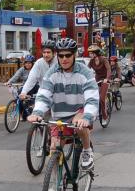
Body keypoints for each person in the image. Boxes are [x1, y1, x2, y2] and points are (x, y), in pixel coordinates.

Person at [28, 38, 98, 169]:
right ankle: (55, 185)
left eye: (68, 55)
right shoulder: (52, 73)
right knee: (54, 149)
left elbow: (92, 98)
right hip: (59, 116)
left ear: (75, 55)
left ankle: (87, 151)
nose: (64, 59)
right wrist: (37, 112)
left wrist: (87, 117)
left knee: (79, 125)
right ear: (57, 56)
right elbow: (44, 94)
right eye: (60, 55)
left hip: (79, 111)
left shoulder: (85, 73)